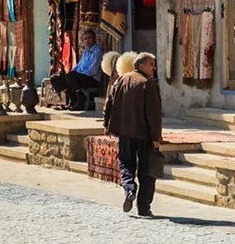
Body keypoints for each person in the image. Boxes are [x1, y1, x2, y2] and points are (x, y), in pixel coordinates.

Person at [103, 52, 163, 218]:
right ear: (141, 66)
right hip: (144, 135)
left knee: (126, 164)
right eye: (151, 65)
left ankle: (129, 189)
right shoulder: (148, 85)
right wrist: (156, 137)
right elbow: (154, 114)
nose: (154, 68)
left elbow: (109, 102)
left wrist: (107, 124)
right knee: (147, 172)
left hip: (125, 132)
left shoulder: (122, 79)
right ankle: (144, 208)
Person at [66, 30, 104, 110]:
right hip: (83, 76)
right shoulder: (86, 51)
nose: (87, 41)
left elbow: (93, 69)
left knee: (71, 77)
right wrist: (73, 72)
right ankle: (71, 100)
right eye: (85, 39)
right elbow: (79, 65)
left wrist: (79, 74)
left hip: (92, 78)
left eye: (89, 38)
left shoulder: (97, 50)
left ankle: (81, 99)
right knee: (59, 78)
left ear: (94, 39)